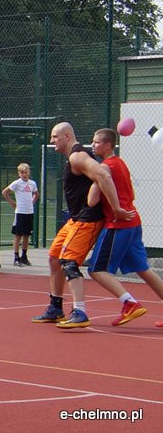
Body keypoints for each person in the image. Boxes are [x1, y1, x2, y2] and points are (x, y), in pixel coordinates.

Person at [32, 122, 134, 328]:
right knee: (54, 258)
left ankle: (80, 311)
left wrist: (116, 208)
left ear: (67, 136)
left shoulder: (78, 156)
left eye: (54, 137)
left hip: (88, 220)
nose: (52, 141)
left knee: (69, 263)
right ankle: (56, 307)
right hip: (76, 218)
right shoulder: (74, 157)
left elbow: (103, 175)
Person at [86, 128, 163, 327]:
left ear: (108, 145)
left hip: (118, 224)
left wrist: (93, 178)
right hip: (134, 221)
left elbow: (92, 201)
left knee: (96, 269)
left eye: (96, 142)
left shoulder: (103, 168)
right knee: (143, 268)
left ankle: (129, 303)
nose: (93, 145)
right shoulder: (120, 163)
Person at [1, 163, 38, 267]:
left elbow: (36, 194)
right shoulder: (17, 183)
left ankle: (24, 256)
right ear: (19, 173)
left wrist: (32, 203)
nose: (24, 174)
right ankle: (16, 257)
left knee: (27, 235)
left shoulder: (32, 183)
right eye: (22, 172)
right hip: (20, 212)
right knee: (18, 235)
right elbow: (5, 192)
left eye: (26, 172)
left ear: (29, 172)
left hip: (29, 212)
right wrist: (12, 203)